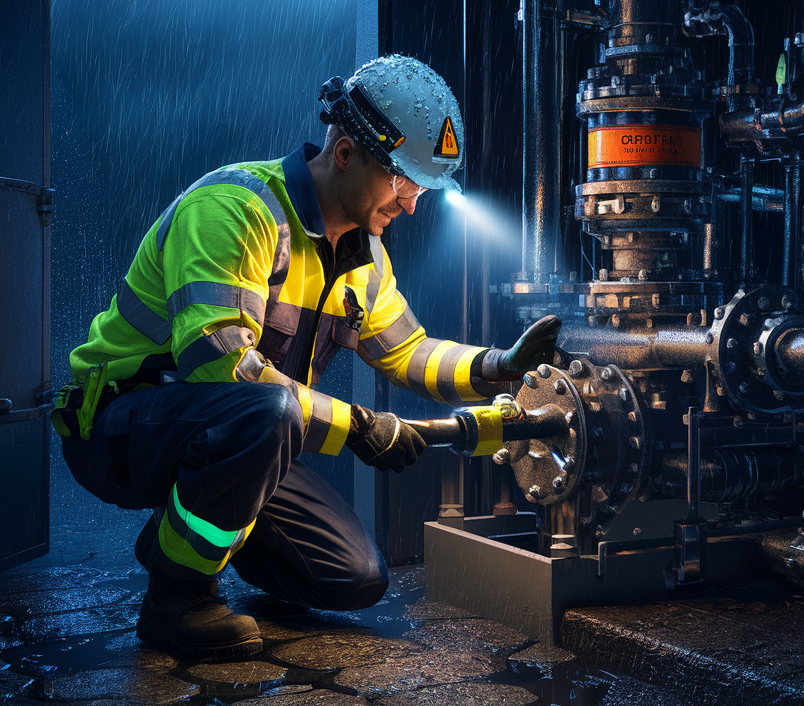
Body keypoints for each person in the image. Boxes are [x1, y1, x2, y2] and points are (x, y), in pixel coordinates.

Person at [53, 54, 560, 660]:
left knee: (355, 578)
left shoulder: (363, 254)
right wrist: (360, 426)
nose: (412, 204)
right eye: (403, 181)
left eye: (421, 188)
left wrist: (498, 365)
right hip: (117, 425)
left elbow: (409, 351)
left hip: (246, 432)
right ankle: (177, 595)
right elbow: (222, 368)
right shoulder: (234, 210)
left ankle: (188, 528)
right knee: (265, 411)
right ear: (345, 153)